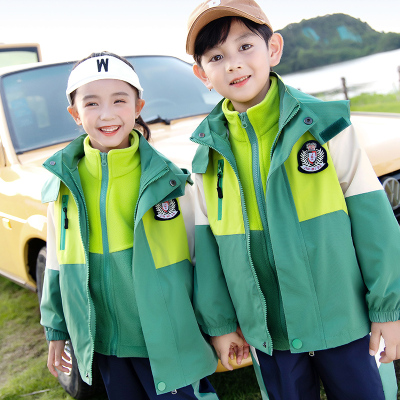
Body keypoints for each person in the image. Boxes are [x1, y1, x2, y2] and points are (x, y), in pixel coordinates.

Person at [185, 1, 400, 399]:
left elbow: (374, 221)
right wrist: (219, 325)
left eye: (245, 46)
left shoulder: (327, 125)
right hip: (268, 335)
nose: (233, 64)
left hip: (345, 322)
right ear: (202, 74)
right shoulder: (205, 156)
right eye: (217, 56)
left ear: (274, 49)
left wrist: (390, 310)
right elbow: (209, 251)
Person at [40, 51, 220, 400]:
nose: (106, 114)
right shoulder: (62, 187)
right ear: (75, 114)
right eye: (91, 103)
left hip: (170, 341)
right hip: (107, 345)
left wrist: (218, 326)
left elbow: (202, 261)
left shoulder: (172, 182)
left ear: (138, 106)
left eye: (119, 100)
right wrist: (56, 328)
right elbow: (58, 266)